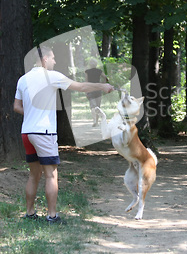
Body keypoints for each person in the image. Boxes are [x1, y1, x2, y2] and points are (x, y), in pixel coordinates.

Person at [13, 46, 113, 224]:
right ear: (44, 59)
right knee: (51, 175)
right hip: (44, 133)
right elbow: (81, 87)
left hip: (27, 132)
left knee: (33, 175)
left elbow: (17, 107)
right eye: (52, 58)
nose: (55, 61)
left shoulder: (23, 79)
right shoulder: (52, 76)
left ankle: (29, 213)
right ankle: (52, 216)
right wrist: (102, 86)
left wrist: (32, 114)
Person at [85, 58, 109, 126]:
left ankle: (94, 121)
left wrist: (86, 91)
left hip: (90, 89)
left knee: (93, 106)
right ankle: (97, 121)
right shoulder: (99, 71)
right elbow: (106, 78)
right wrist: (102, 84)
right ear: (96, 64)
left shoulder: (87, 71)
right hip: (98, 89)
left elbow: (86, 82)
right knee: (98, 106)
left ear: (90, 64)